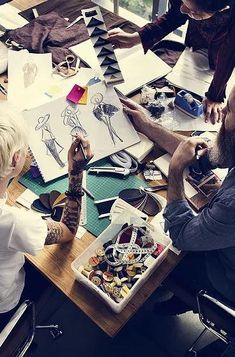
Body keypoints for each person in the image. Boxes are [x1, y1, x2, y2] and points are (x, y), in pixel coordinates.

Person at [121, 84, 235, 313]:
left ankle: (185, 297)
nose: (222, 112)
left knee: (167, 262)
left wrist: (175, 170)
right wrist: (148, 126)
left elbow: (181, 234)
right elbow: (205, 156)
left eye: (230, 110)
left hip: (227, 277)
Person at [0, 104, 93, 331]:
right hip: (5, 306)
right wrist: (76, 171)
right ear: (15, 160)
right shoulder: (13, 222)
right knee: (55, 279)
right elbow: (69, 231)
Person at [108, 0, 235, 125]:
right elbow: (176, 15)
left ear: (223, 8)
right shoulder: (189, 7)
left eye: (193, 11)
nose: (182, 9)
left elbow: (229, 53)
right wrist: (137, 38)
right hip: (197, 43)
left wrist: (215, 95)